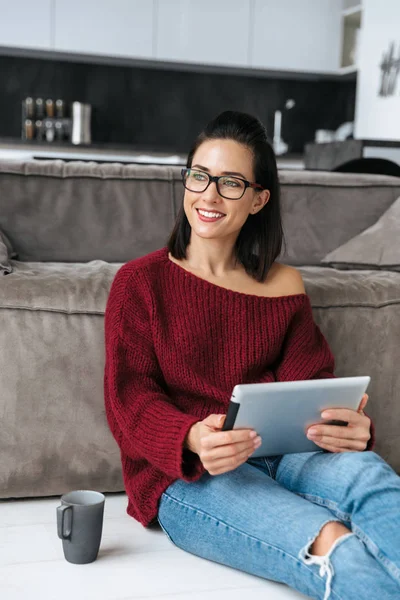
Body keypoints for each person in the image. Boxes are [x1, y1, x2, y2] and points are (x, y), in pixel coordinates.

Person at [104, 110, 400, 600]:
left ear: (260, 198)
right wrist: (192, 437)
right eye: (200, 176)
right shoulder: (140, 283)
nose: (209, 195)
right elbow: (129, 401)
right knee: (333, 545)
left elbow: (308, 381)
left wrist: (346, 425)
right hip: (189, 476)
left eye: (231, 183)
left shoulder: (284, 285)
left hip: (287, 454)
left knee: (372, 477)